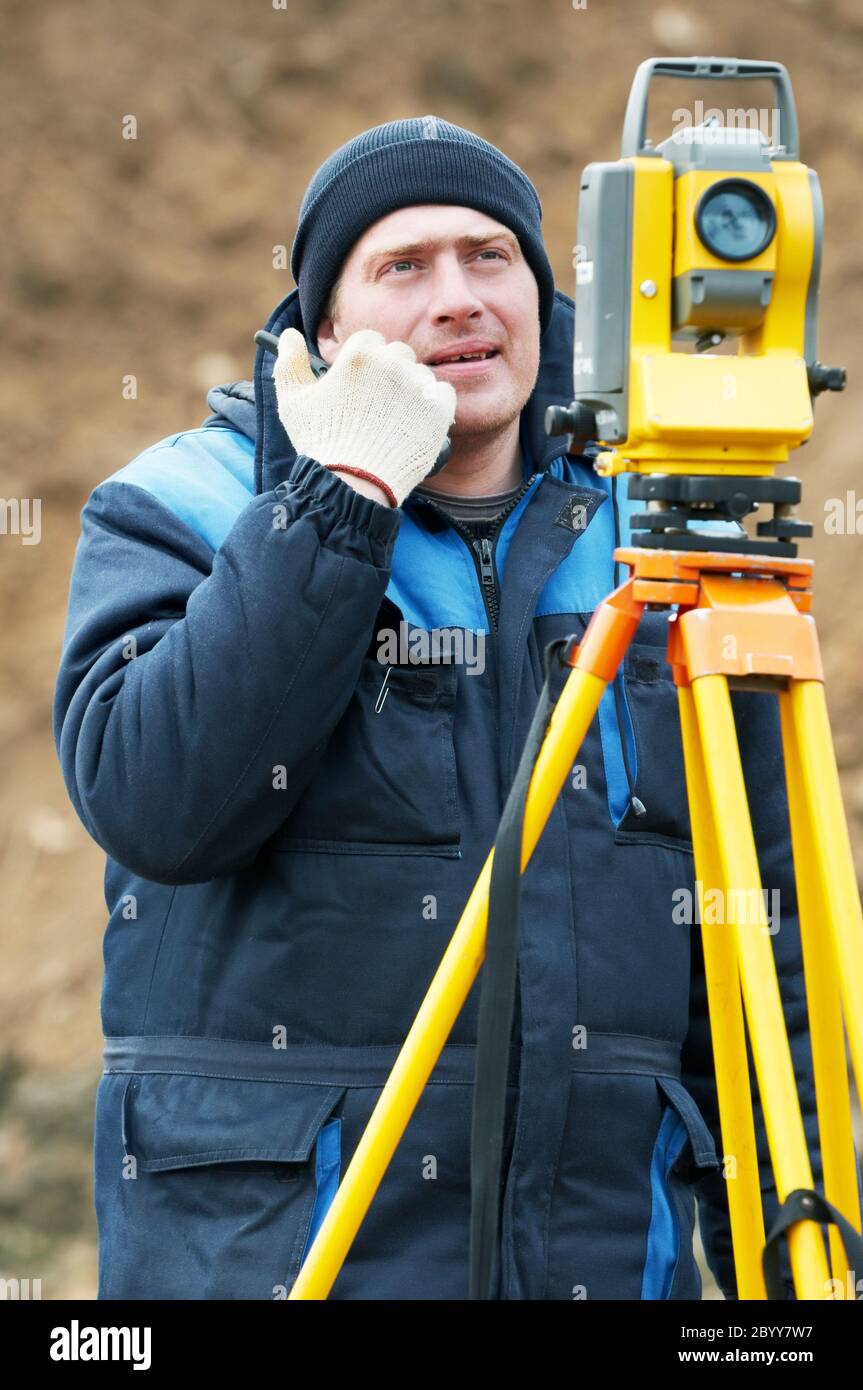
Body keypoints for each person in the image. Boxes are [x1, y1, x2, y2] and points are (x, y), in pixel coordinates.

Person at [53, 115, 820, 1300]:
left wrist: (799, 1252)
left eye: (488, 257)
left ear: (541, 296)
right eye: (401, 268)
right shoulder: (186, 507)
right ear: (323, 332)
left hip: (602, 1260)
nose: (456, 298)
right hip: (281, 1259)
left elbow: (768, 939)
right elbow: (159, 805)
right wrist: (339, 498)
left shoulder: (658, 547)